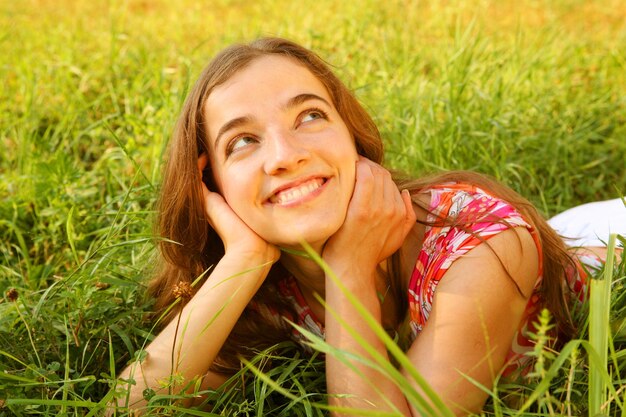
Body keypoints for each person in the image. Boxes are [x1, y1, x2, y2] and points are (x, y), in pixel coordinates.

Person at [113, 37, 625, 416]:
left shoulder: (479, 244)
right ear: (214, 186)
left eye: (309, 116)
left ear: (352, 138)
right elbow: (128, 409)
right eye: (242, 142)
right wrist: (244, 258)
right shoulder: (270, 284)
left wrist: (349, 270)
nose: (286, 156)